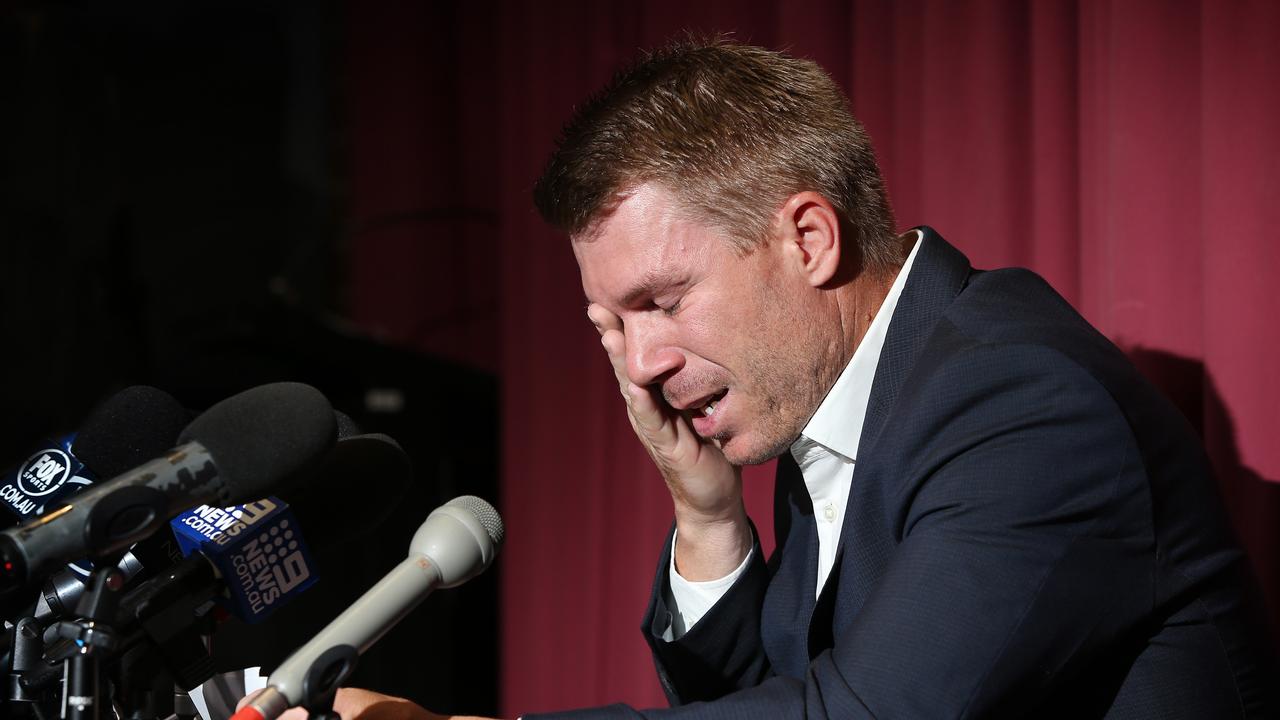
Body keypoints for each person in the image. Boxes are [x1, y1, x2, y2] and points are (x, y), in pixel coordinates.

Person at [265, 38, 1277, 719]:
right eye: (609, 323)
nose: (641, 365)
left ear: (805, 237)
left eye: (660, 301)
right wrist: (706, 518)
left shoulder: (1018, 405)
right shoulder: (839, 388)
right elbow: (762, 697)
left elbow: (860, 715)